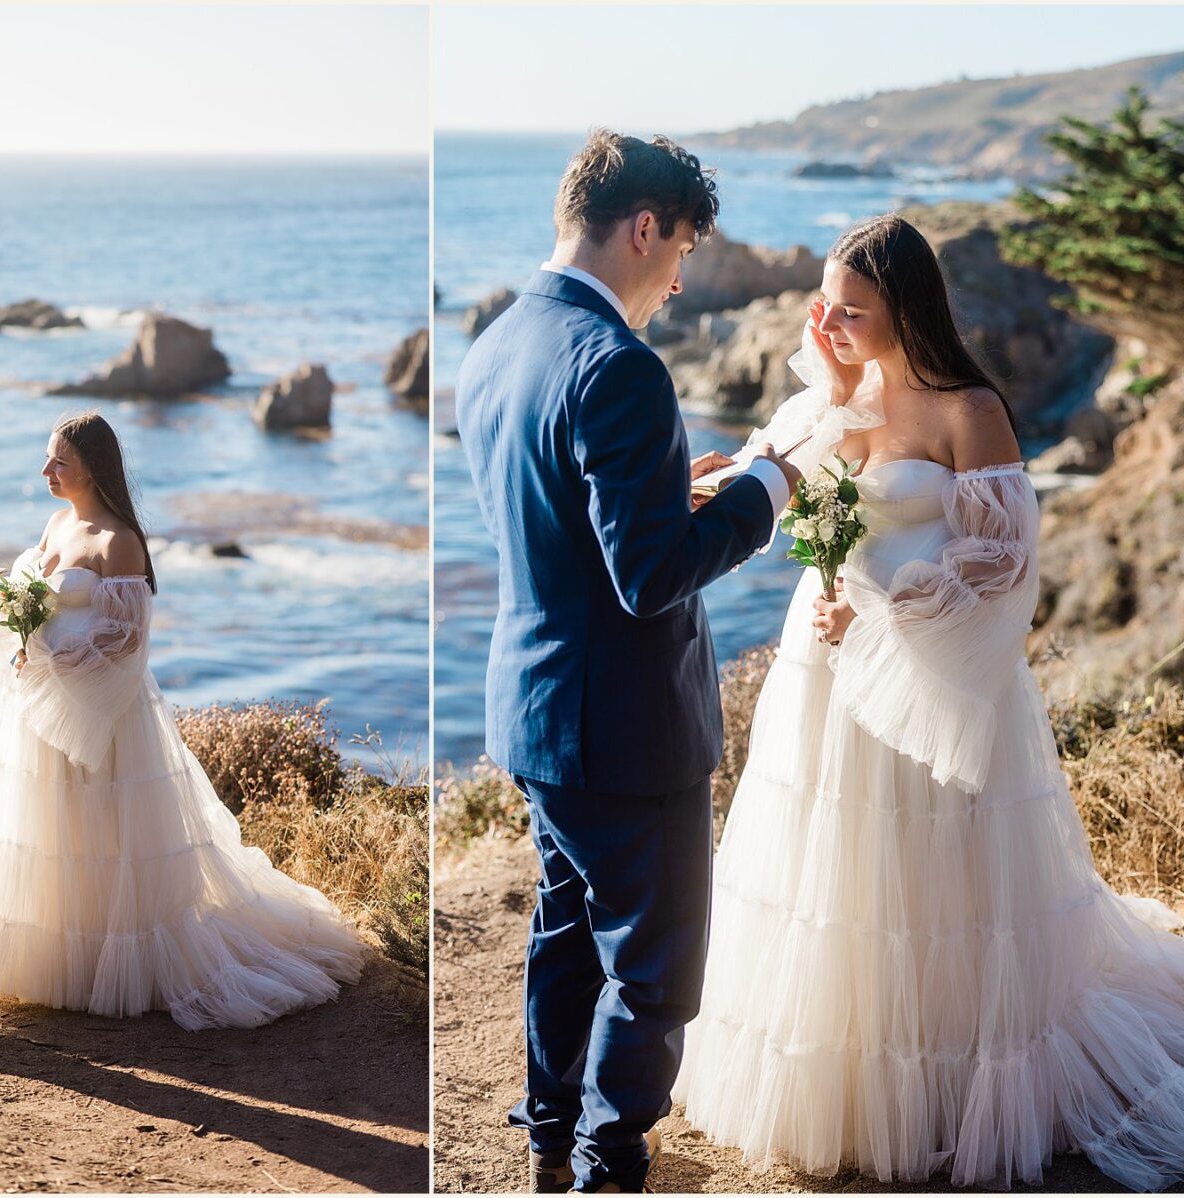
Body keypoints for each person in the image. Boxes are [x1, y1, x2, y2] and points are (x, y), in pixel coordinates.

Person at [675, 214, 1184, 1190]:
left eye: (852, 309)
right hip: (820, 670)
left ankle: (949, 1071)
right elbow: (767, 480)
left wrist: (887, 621)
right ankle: (849, 1065)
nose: (830, 321)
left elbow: (1004, 576)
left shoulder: (969, 409)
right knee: (836, 865)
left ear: (905, 308)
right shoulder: (828, 394)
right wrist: (712, 482)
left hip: (928, 675)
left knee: (937, 870)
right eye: (824, 304)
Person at [456, 129, 801, 1193]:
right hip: (628, 729)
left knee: (565, 937)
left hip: (537, 713)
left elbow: (562, 519)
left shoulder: (496, 342)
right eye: (683, 248)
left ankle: (549, 1143)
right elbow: (647, 580)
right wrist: (762, 494)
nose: (683, 276)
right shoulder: (621, 367)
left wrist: (665, 493)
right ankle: (611, 1168)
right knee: (653, 973)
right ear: (642, 228)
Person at [0, 411, 364, 1028]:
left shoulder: (119, 540)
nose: (47, 471)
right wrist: (1, 613)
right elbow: (36, 601)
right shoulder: (56, 522)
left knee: (106, 827)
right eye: (49, 459)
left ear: (92, 469)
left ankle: (115, 956)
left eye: (60, 462)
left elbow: (126, 639)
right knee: (51, 828)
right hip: (41, 707)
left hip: (101, 709)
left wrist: (52, 655)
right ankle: (62, 952)